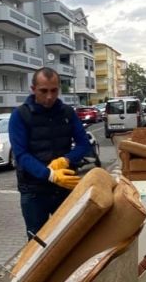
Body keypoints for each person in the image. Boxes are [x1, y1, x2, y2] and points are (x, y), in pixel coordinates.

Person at [9, 67, 93, 237]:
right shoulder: (20, 115)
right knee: (37, 245)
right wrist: (50, 174)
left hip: (64, 189)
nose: (49, 96)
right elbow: (21, 155)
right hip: (34, 192)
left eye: (54, 91)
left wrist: (66, 160)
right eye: (44, 91)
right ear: (33, 89)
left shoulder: (68, 113)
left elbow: (84, 144)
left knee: (70, 239)